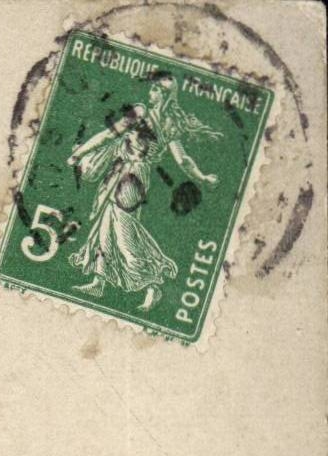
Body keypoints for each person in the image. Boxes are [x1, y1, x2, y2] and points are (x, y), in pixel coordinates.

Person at [66, 70, 221, 311]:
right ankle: (99, 281)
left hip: (132, 177)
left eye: (156, 89)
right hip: (128, 174)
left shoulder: (148, 116)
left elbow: (110, 135)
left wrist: (79, 152)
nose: (151, 92)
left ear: (164, 95)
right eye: (152, 88)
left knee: (123, 230)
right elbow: (183, 160)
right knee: (107, 224)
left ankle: (152, 284)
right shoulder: (165, 122)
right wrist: (203, 177)